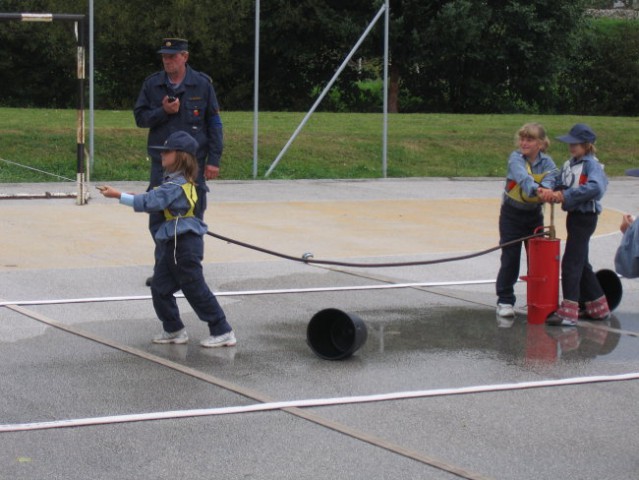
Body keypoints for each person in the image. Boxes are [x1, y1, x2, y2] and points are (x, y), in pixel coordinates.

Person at [98, 131, 236, 348]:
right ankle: (174, 329)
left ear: (181, 156)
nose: (161, 155)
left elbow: (151, 201)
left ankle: (222, 330)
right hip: (172, 243)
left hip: (184, 244)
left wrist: (118, 196)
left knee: (194, 288)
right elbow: (154, 197)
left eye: (167, 152)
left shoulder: (176, 185)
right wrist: (126, 194)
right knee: (160, 287)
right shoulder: (173, 182)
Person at [134, 37, 224, 286]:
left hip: (193, 164)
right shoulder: (153, 84)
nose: (167, 61)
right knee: (158, 216)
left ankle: (190, 270)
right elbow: (140, 118)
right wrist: (164, 111)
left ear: (185, 57)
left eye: (172, 56)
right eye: (164, 56)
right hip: (161, 164)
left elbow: (214, 123)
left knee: (192, 216)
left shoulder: (202, 84)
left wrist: (214, 160)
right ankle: (165, 268)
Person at [542, 123, 610, 326]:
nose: (571, 147)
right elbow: (560, 183)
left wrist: (565, 195)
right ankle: (598, 308)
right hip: (574, 217)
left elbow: (595, 187)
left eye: (576, 144)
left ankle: (569, 312)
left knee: (571, 263)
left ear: (587, 145)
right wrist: (549, 191)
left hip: (585, 218)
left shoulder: (592, 165)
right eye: (570, 143)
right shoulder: (569, 163)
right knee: (582, 263)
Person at [495, 123, 558, 318]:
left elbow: (551, 180)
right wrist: (541, 190)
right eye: (522, 139)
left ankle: (536, 300)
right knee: (510, 259)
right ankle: (505, 300)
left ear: (541, 143)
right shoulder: (516, 158)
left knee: (537, 261)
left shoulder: (549, 164)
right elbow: (523, 178)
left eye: (529, 139)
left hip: (533, 217)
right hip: (511, 216)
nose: (524, 143)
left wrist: (547, 190)